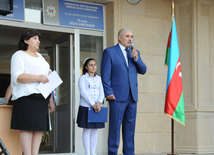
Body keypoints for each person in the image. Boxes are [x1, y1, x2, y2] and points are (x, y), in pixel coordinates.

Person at [101, 28, 147, 155]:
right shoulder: (110, 52)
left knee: (130, 130)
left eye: (132, 36)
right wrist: (108, 92)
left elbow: (143, 70)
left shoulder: (134, 53)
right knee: (115, 129)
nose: (130, 39)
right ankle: (112, 153)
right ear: (119, 38)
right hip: (116, 97)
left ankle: (129, 153)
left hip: (132, 97)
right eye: (127, 36)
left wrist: (137, 58)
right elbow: (105, 75)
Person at [10, 29, 55, 155]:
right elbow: (17, 77)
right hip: (26, 97)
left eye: (38, 39)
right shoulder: (19, 55)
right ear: (26, 41)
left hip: (42, 98)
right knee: (27, 128)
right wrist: (38, 77)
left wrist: (51, 99)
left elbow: (48, 77)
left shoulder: (41, 57)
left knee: (38, 129)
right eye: (35, 38)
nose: (38, 41)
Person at [76, 58, 105, 155]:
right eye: (91, 65)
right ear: (86, 67)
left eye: (95, 64)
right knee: (87, 129)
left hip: (97, 107)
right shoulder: (83, 78)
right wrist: (93, 104)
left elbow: (102, 92)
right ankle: (87, 152)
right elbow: (83, 92)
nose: (93, 67)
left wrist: (99, 103)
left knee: (95, 129)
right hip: (86, 106)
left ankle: (93, 152)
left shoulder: (99, 78)